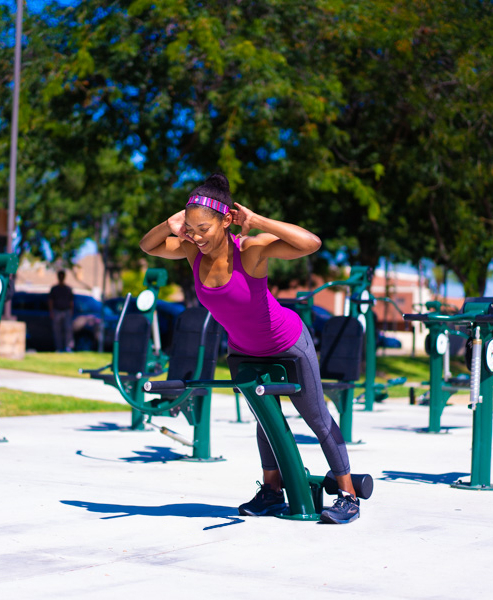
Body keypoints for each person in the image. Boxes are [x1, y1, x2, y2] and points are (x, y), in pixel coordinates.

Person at [139, 173, 362, 524]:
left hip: (288, 344)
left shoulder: (251, 251)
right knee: (265, 420)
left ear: (226, 220)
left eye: (203, 229)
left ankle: (348, 496)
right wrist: (168, 224)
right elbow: (149, 246)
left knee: (316, 417)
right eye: (190, 229)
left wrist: (257, 221)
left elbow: (311, 243)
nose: (195, 237)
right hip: (243, 351)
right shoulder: (188, 249)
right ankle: (272, 493)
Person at [48, 270, 74, 353]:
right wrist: (51, 311)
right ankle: (59, 348)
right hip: (57, 311)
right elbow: (50, 301)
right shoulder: (54, 289)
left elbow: (71, 301)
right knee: (57, 331)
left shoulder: (68, 289)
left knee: (68, 330)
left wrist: (71, 311)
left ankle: (68, 347)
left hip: (66, 311)